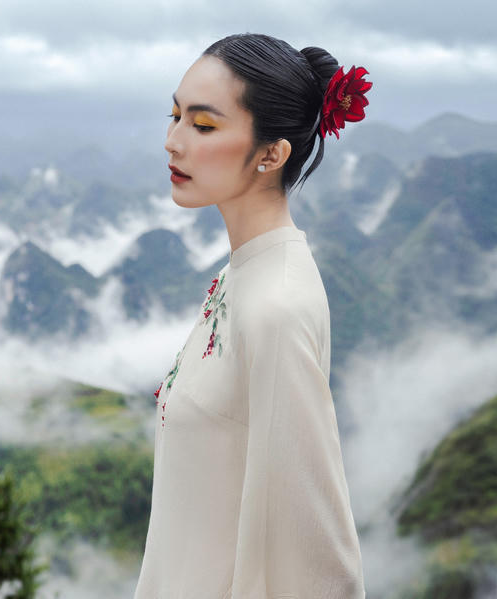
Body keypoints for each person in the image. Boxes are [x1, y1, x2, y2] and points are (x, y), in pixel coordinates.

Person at [133, 32, 372, 599]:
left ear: (271, 154)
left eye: (203, 125)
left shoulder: (276, 308)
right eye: (175, 116)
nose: (172, 141)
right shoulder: (243, 273)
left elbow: (319, 557)